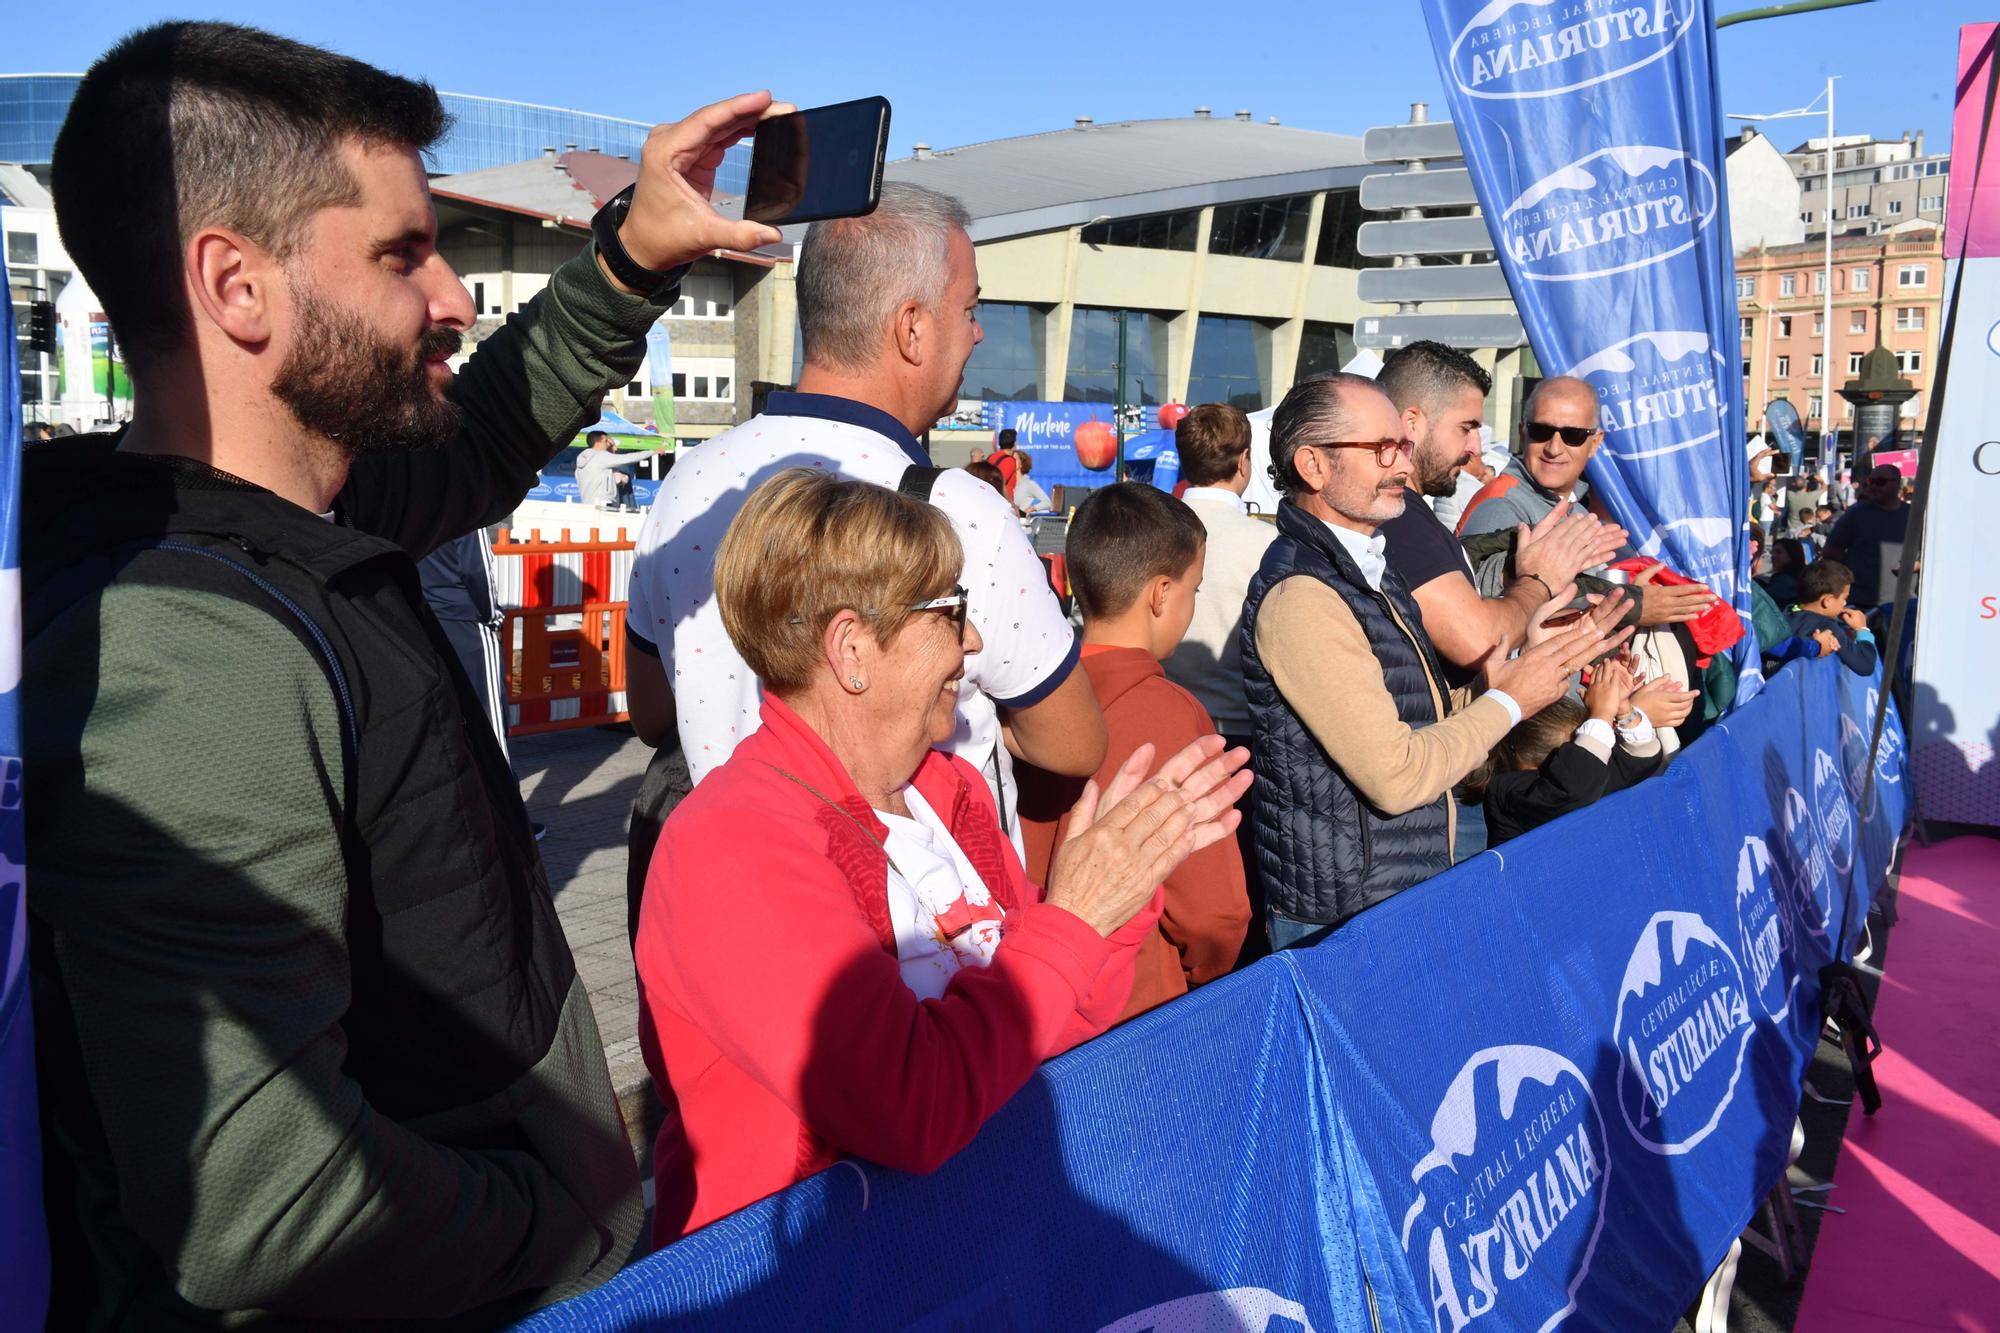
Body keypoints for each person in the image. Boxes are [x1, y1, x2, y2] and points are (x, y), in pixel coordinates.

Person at [23, 22, 783, 1324]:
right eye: (400, 254)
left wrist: (639, 249)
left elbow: (482, 433)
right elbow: (262, 1211)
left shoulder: (311, 514)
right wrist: (567, 1217)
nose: (451, 298)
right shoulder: (189, 646)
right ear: (235, 286)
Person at [635, 469, 1249, 1241]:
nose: (975, 640)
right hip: (820, 1289)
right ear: (851, 647)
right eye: (951, 612)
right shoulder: (730, 843)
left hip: (971, 1254)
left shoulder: (944, 791)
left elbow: (1057, 1016)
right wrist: (1073, 918)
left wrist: (1122, 886)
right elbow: (911, 1106)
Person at [622, 182, 1107, 883]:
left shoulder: (691, 482)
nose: (977, 332)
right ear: (911, 327)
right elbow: (1075, 742)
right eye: (970, 309)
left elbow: (648, 710)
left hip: (739, 881)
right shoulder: (960, 513)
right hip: (914, 927)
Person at [1241, 374, 1623, 949]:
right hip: (1347, 921)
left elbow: (1421, 709)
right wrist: (1511, 696)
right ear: (1313, 465)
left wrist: (1521, 665)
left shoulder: (1367, 562)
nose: (1402, 464)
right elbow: (1396, 777)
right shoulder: (1302, 596)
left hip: (1393, 893)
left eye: (1403, 445)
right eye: (1381, 449)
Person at [1016, 483, 1249, 1019]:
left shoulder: (1024, 699)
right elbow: (1215, 911)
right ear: (1160, 594)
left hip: (1035, 982)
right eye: (1195, 589)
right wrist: (1203, 978)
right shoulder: (1169, 712)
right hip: (1137, 1002)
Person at [1159, 403, 1277, 961]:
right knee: (1240, 891)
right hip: (1240, 742)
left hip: (1161, 730)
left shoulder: (1152, 530)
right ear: (1244, 462)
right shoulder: (1263, 545)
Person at [1465, 656, 1668, 846]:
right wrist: (1602, 713)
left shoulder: (1586, 777)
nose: (1590, 749)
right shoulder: (1509, 795)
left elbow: (1638, 761)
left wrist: (1622, 709)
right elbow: (1573, 784)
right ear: (1528, 763)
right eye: (1580, 746)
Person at [1823, 463, 1911, 609]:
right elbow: (1831, 552)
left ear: (1897, 483)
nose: (1874, 486)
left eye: (1881, 482)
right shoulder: (1855, 514)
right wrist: (1856, 572)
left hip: (1904, 601)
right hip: (1863, 602)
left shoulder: (1913, 514)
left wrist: (1918, 565)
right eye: (1871, 482)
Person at [1788, 559, 1879, 676]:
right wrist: (1862, 629)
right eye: (1844, 598)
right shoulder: (1828, 628)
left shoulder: (1786, 612)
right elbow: (1865, 665)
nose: (1845, 604)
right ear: (1828, 601)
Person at [574, 428, 659, 508]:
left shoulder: (582, 462)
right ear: (598, 443)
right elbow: (628, 458)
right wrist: (653, 452)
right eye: (606, 441)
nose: (608, 443)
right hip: (604, 503)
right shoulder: (601, 456)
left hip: (587, 504)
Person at [1011, 449, 1054, 515]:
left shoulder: (1029, 484)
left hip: (1021, 522)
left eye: (1015, 459)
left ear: (1021, 464)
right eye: (1010, 458)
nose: (1011, 461)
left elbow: (1048, 503)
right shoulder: (1006, 483)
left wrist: (1031, 509)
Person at [986, 426, 1021, 500]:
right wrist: (1011, 504)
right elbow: (1000, 483)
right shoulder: (1009, 460)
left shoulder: (991, 457)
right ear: (1014, 443)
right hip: (1002, 502)